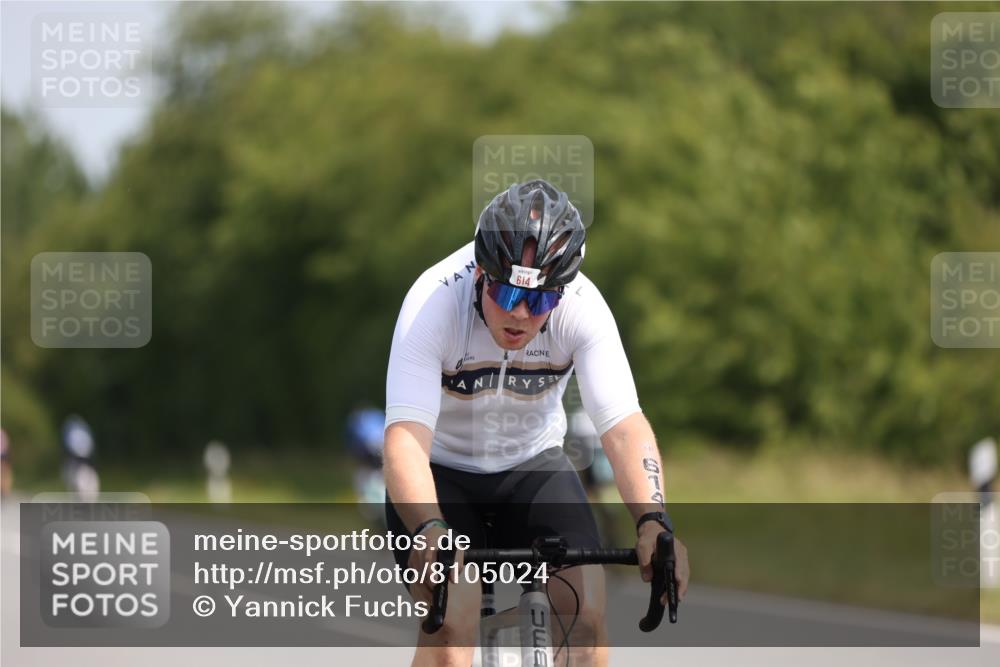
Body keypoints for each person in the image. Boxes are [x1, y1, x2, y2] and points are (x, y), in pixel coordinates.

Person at [383, 179, 690, 667]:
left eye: (541, 301)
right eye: (506, 294)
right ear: (482, 272)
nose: (521, 314)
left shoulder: (584, 308)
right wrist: (430, 527)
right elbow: (404, 440)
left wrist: (653, 521)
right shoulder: (433, 303)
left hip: (533, 466)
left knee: (586, 613)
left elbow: (624, 426)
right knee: (454, 622)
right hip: (440, 476)